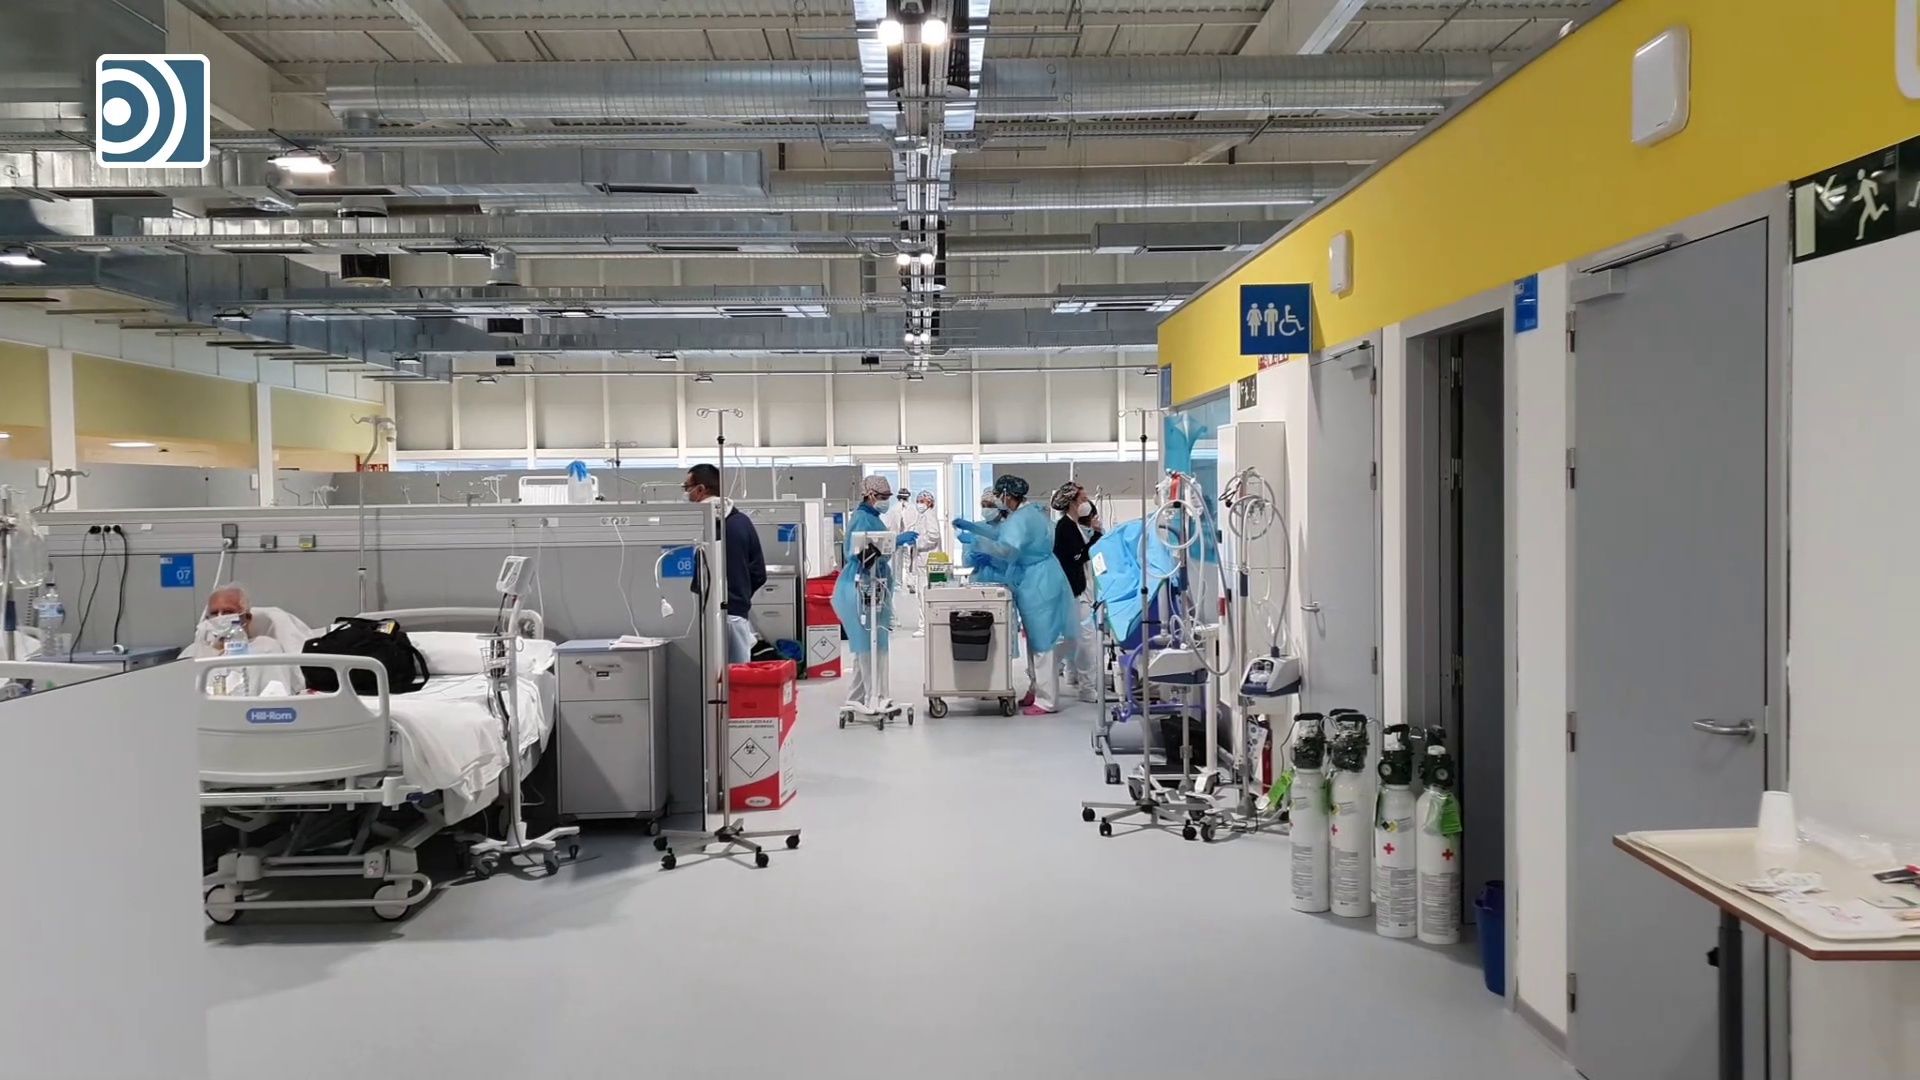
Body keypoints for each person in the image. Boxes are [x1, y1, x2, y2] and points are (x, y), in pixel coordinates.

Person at [953, 475, 1075, 715]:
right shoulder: (1029, 513)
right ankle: (1036, 689)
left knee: (1042, 642)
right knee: (1035, 640)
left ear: (1008, 495)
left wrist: (977, 542)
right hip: (1038, 577)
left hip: (1039, 582)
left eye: (1000, 496)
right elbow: (1002, 534)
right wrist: (973, 527)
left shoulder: (1023, 518)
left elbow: (1006, 549)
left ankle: (1047, 700)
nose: (999, 500)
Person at [832, 475, 920, 707]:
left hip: (869, 585)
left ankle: (856, 699)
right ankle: (876, 698)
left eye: (887, 497)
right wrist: (895, 541)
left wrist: (891, 542)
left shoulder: (871, 518)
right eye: (882, 497)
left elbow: (874, 550)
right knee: (871, 649)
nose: (886, 501)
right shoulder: (863, 519)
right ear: (870, 495)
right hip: (861, 586)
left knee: (866, 647)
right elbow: (863, 555)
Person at [686, 463, 767, 665]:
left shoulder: (705, 526)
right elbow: (759, 573)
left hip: (716, 614)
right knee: (738, 675)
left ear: (701, 489)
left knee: (723, 677)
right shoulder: (742, 522)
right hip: (736, 614)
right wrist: (740, 595)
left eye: (687, 488)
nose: (686, 494)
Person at [180, 584, 309, 694]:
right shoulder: (193, 653)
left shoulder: (267, 649)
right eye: (214, 613)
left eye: (228, 612)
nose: (220, 618)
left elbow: (278, 697)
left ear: (247, 618)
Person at [1050, 482, 1104, 703]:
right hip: (1073, 591)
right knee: (1084, 640)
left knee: (1075, 639)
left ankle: (1069, 676)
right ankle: (1086, 688)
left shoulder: (1073, 526)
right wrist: (1097, 535)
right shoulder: (1065, 527)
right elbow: (1079, 557)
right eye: (1082, 499)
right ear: (1072, 503)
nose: (1086, 503)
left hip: (1077, 589)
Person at [896, 491, 943, 637]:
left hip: (928, 561)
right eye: (918, 500)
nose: (919, 504)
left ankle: (926, 627)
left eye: (922, 501)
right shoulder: (922, 516)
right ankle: (926, 625)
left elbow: (934, 535)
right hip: (924, 561)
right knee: (923, 593)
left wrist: (917, 542)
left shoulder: (929, 515)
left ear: (930, 503)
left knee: (925, 594)